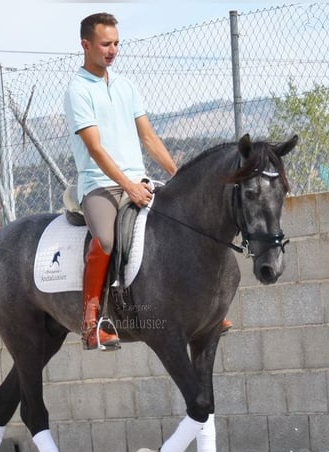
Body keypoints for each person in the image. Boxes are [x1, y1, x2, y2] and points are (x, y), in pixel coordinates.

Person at [64, 12, 230, 351]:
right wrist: (127, 185)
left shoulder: (126, 86)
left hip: (139, 181)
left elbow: (150, 138)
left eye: (116, 44)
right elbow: (94, 148)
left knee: (183, 223)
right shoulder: (77, 91)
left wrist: (179, 176)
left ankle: (204, 309)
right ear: (86, 45)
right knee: (107, 240)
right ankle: (92, 321)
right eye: (105, 44)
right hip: (100, 185)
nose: (112, 50)